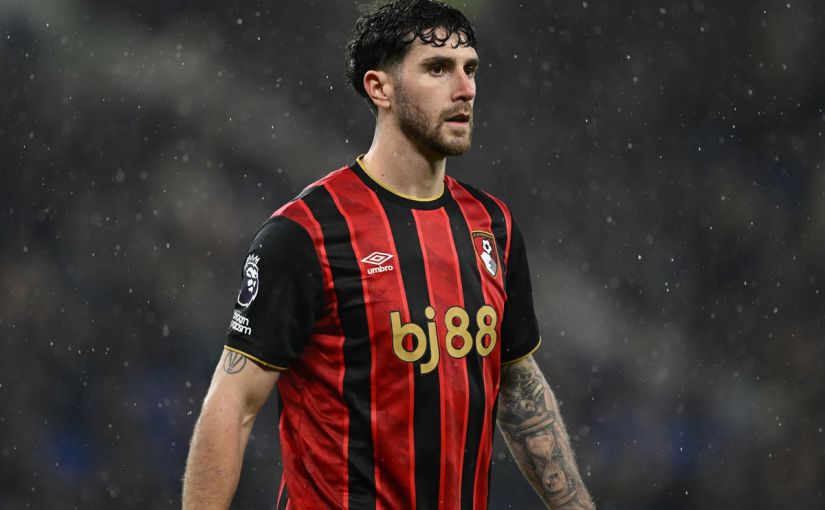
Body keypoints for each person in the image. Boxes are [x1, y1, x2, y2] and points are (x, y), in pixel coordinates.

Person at [182, 1, 595, 508]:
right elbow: (233, 404)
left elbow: (518, 383)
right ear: (379, 88)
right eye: (438, 69)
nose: (464, 88)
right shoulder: (305, 233)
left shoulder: (493, 225)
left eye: (470, 69)